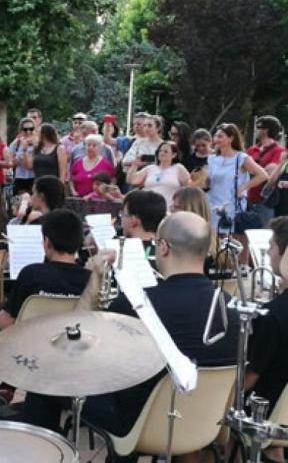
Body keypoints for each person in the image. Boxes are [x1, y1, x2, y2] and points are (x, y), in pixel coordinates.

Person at [26, 212, 239, 451]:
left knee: (43, 380)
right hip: (204, 426)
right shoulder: (234, 309)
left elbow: (76, 338)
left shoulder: (138, 305)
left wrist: (95, 278)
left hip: (137, 425)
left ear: (163, 248)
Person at [0, 209, 88, 411]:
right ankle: (7, 387)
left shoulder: (32, 273)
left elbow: (5, 323)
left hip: (25, 343)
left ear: (47, 242)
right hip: (64, 346)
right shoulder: (89, 279)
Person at [245, 216, 288, 463]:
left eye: (271, 246)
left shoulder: (273, 315)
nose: (268, 252)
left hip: (268, 413)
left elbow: (249, 380)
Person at [207, 123, 268, 236]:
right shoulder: (211, 158)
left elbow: (263, 175)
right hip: (211, 204)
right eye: (215, 136)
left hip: (231, 206)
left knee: (228, 240)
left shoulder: (241, 158)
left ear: (231, 138)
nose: (216, 139)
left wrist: (244, 187)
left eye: (220, 136)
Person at [125, 140, 190, 210]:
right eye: (160, 151)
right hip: (148, 208)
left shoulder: (178, 168)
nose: (162, 153)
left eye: (166, 151)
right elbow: (131, 180)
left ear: (174, 155)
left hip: (169, 208)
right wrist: (134, 165)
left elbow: (189, 186)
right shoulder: (150, 168)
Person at [247, 116, 285, 227]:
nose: (255, 130)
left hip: (264, 201)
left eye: (258, 127)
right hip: (247, 199)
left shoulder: (279, 150)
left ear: (266, 130)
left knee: (264, 236)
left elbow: (270, 172)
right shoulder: (252, 149)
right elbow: (242, 167)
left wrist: (252, 168)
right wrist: (260, 170)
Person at [120, 190, 167, 262]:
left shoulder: (122, 252)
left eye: (123, 214)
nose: (121, 219)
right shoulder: (167, 251)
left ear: (132, 221)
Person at [10, 117, 37, 194]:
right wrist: (19, 158)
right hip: (19, 177)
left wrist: (23, 157)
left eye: (31, 129)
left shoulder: (38, 143)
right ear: (21, 130)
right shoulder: (16, 143)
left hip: (34, 178)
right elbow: (10, 163)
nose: (28, 132)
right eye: (25, 129)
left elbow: (30, 165)